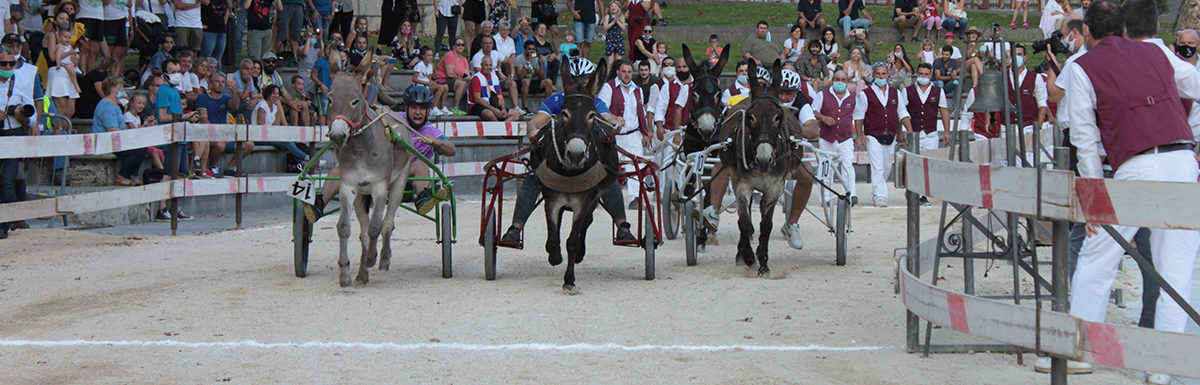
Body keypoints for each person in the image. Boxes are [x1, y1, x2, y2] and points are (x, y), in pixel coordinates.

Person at [1059, 2, 1200, 384]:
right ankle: (1162, 366)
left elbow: (1085, 141)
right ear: (1122, 29)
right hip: (1183, 159)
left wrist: (1094, 201)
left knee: (1097, 255)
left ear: (1086, 30)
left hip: (1138, 163)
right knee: (1176, 268)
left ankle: (1081, 351)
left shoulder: (1082, 67)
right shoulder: (1156, 52)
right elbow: (1196, 85)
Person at [499, 58, 636, 244]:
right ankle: (516, 228)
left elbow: (606, 119)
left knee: (609, 176)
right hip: (555, 164)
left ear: (591, 80)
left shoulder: (595, 102)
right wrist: (533, 132)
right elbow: (536, 121)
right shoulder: (556, 100)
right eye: (575, 80)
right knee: (532, 179)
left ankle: (622, 226)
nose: (580, 84)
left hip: (587, 165)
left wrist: (615, 122)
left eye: (585, 80)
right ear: (567, 80)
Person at [854, 63, 912, 207]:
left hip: (890, 134)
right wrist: (860, 135)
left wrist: (909, 131)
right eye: (878, 74)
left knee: (887, 166)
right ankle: (880, 196)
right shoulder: (865, 94)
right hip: (873, 134)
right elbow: (859, 116)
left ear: (888, 75)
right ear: (874, 75)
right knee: (878, 166)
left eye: (883, 74)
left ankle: (879, 190)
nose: (881, 76)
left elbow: (902, 113)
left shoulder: (895, 93)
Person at [395, 84, 458, 214]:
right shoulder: (395, 119)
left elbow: (452, 150)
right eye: (414, 107)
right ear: (406, 107)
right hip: (384, 171)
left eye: (422, 108)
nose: (418, 112)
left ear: (428, 110)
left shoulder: (431, 131)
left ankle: (424, 200)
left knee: (420, 164)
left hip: (409, 177)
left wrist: (436, 143)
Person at [776, 69, 820, 249]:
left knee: (808, 175)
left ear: (796, 92)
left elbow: (813, 130)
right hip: (764, 153)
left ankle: (791, 224)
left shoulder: (802, 103)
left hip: (791, 154)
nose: (784, 97)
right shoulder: (766, 99)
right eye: (781, 92)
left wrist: (792, 131)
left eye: (789, 93)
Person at [597, 59, 650, 207]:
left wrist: (645, 132)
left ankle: (635, 198)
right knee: (608, 166)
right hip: (615, 135)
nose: (627, 75)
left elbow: (641, 112)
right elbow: (602, 110)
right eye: (624, 72)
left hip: (633, 134)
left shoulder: (637, 89)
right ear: (617, 72)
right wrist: (614, 120)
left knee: (637, 165)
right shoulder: (609, 87)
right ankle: (602, 196)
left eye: (629, 72)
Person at [0, 48, 36, 239]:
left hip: (12, 136)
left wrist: (22, 116)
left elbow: (32, 117)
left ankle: (8, 221)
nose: (7, 67)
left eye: (10, 63)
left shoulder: (21, 83)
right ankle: (12, 217)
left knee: (7, 181)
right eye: (3, 64)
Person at [812, 70, 858, 206]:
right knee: (825, 169)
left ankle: (850, 194)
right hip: (827, 138)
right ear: (833, 80)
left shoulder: (853, 97)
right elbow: (814, 110)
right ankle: (826, 198)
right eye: (837, 79)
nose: (840, 82)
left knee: (848, 166)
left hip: (845, 138)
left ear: (847, 82)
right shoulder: (822, 95)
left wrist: (860, 135)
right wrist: (823, 118)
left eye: (843, 80)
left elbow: (858, 115)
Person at [93, 75, 148, 185]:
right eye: (121, 87)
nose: (123, 90)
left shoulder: (115, 105)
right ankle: (122, 176)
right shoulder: (107, 106)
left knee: (141, 147)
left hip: (117, 139)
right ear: (113, 89)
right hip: (107, 141)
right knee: (138, 150)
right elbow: (111, 128)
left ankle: (132, 174)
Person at [904, 63, 949, 153]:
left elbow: (944, 112)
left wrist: (947, 132)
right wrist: (901, 132)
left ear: (930, 75)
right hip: (913, 134)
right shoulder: (907, 91)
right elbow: (902, 113)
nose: (923, 76)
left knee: (930, 164)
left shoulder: (939, 91)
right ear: (917, 74)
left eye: (926, 74)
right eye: (921, 73)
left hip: (931, 136)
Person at [471, 34, 521, 112]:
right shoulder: (477, 57)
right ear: (481, 45)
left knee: (512, 83)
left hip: (495, 82)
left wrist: (510, 76)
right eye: (486, 43)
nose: (488, 45)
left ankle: (516, 107)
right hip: (483, 84)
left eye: (490, 43)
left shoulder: (495, 53)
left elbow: (509, 60)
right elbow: (480, 74)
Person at [467, 56, 519, 121]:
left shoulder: (495, 77)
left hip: (492, 105)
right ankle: (499, 128)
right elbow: (477, 99)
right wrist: (494, 110)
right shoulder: (476, 78)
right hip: (476, 106)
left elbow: (500, 96)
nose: (488, 67)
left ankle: (501, 128)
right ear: (481, 65)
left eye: (490, 65)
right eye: (486, 65)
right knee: (490, 114)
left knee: (516, 114)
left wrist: (503, 109)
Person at [47, 27, 80, 118]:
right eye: (65, 37)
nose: (68, 39)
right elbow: (54, 58)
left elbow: (74, 61)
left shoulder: (70, 47)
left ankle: (66, 130)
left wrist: (76, 59)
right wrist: (69, 53)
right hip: (59, 71)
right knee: (62, 111)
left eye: (69, 38)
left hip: (69, 74)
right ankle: (60, 130)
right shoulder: (59, 45)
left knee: (70, 111)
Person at [435, 37, 470, 114]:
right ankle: (455, 107)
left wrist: (466, 78)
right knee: (462, 84)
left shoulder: (464, 59)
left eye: (462, 45)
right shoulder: (449, 55)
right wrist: (462, 79)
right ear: (453, 46)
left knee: (468, 84)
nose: (460, 46)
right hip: (443, 80)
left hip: (455, 81)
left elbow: (467, 74)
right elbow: (450, 73)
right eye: (458, 44)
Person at [514, 40, 552, 111]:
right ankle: (524, 106)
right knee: (526, 81)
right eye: (529, 49)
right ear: (525, 50)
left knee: (548, 81)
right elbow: (520, 76)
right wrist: (529, 62)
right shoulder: (519, 59)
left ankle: (546, 107)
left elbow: (541, 77)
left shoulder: (536, 59)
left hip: (533, 82)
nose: (531, 51)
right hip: (521, 83)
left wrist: (541, 65)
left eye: (533, 49)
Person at [414, 47, 451, 115]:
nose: (430, 57)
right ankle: (433, 107)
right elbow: (414, 79)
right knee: (441, 87)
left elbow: (429, 79)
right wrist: (426, 83)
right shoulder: (420, 65)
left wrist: (431, 82)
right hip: (420, 85)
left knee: (446, 86)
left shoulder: (430, 66)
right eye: (428, 55)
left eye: (431, 55)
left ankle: (443, 107)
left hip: (427, 85)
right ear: (423, 56)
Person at [103, 0, 130, 72]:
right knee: (109, 50)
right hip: (110, 18)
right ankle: (106, 73)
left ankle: (115, 74)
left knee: (119, 52)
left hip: (122, 18)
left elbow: (130, 4)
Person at [931, 45, 960, 109]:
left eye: (946, 55)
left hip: (946, 85)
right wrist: (951, 77)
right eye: (943, 54)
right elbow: (938, 77)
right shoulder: (937, 61)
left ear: (951, 55)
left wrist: (955, 75)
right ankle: (937, 106)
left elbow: (955, 73)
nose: (944, 56)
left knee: (956, 83)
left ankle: (956, 107)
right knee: (940, 83)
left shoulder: (954, 62)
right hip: (936, 84)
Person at [601, 1, 625, 74]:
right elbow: (605, 27)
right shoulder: (607, 16)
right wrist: (613, 22)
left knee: (618, 61)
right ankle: (608, 76)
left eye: (615, 6)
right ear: (609, 8)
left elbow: (623, 28)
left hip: (619, 39)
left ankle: (618, 76)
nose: (614, 8)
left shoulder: (621, 16)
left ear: (618, 8)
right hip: (610, 39)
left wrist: (617, 21)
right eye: (612, 6)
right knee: (610, 61)